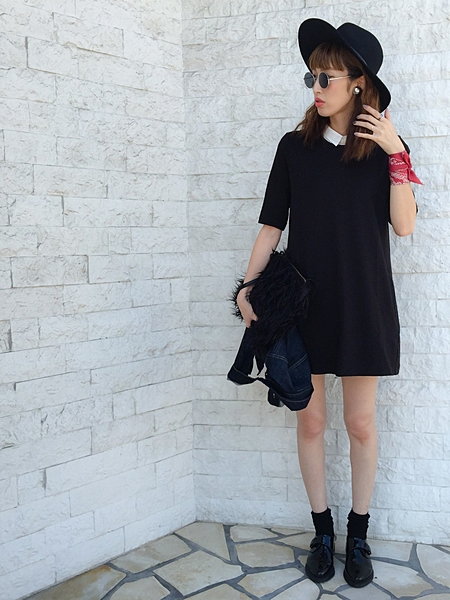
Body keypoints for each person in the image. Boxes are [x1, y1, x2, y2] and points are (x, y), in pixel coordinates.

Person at [236, 19, 421, 588]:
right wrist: (246, 288)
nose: (316, 87)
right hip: (303, 304)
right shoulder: (294, 148)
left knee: (360, 423)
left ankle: (358, 534)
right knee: (311, 421)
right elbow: (271, 226)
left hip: (364, 301)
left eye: (327, 77)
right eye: (311, 76)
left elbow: (404, 226)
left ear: (359, 83)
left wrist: (395, 152)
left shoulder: (386, 150)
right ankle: (322, 532)